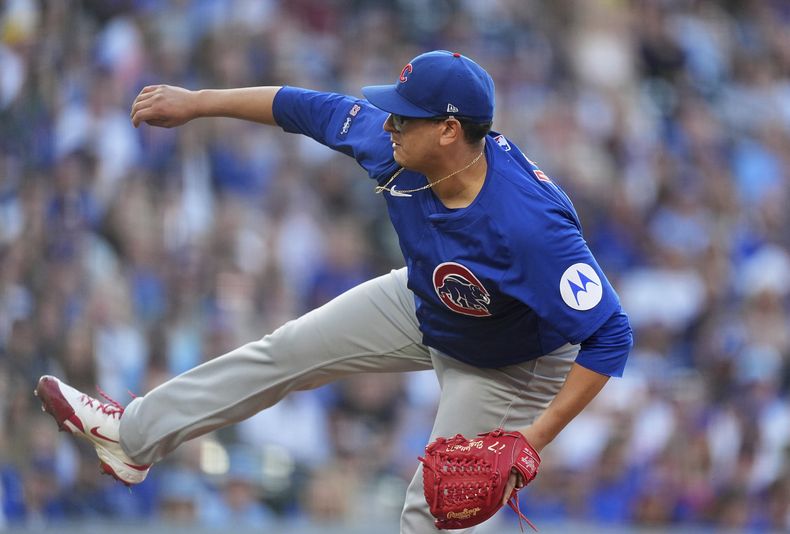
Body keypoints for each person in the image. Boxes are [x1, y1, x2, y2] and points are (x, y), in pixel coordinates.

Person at [35, 50, 633, 532]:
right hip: (427, 302)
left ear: (450, 130)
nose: (389, 123)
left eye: (405, 116)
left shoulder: (529, 224)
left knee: (428, 514)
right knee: (287, 349)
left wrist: (534, 437)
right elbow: (302, 107)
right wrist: (197, 103)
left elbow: (611, 334)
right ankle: (131, 438)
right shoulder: (395, 144)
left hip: (511, 362)